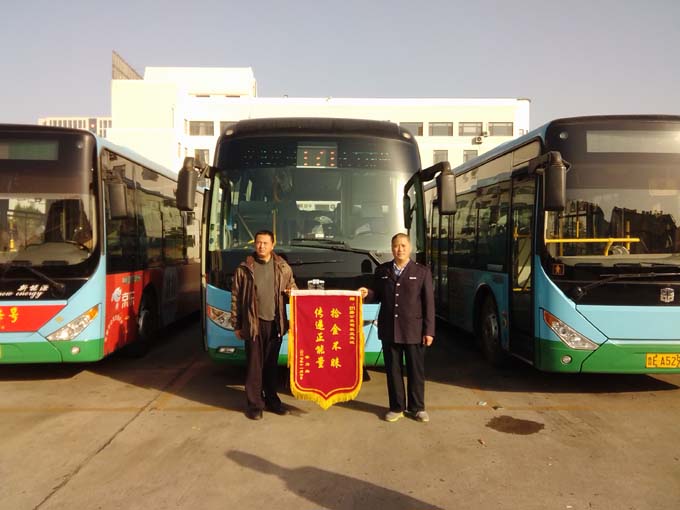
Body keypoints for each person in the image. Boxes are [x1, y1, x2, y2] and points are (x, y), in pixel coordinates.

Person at [359, 233, 435, 423]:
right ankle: (397, 407)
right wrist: (367, 293)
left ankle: (417, 408)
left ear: (410, 248)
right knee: (393, 371)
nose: (399, 249)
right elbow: (377, 294)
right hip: (390, 329)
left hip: (414, 330)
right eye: (395, 246)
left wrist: (429, 331)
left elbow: (429, 304)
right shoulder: (382, 270)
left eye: (403, 246)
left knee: (415, 371)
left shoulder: (422, 272)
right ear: (391, 248)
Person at [231, 230, 298, 420]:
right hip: (253, 324)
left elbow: (293, 288)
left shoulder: (283, 267)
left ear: (273, 245)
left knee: (271, 366)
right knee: (254, 367)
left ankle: (272, 401)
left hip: (275, 324)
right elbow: (235, 297)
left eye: (265, 243)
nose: (261, 246)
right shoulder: (244, 269)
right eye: (258, 242)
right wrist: (236, 324)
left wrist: (291, 292)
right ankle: (254, 405)